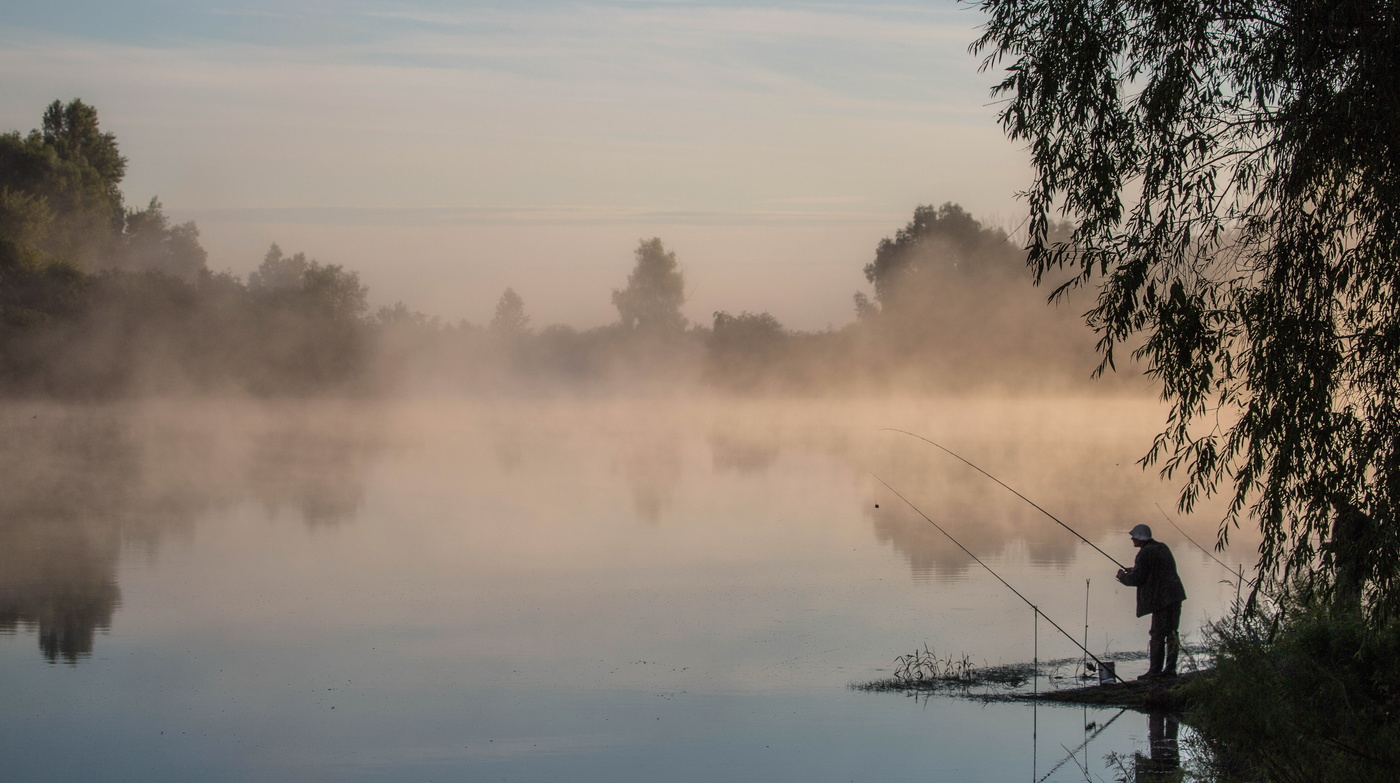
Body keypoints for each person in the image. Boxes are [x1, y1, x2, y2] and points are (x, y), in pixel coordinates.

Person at [1115, 524, 1187, 679]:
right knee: (1172, 633)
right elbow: (1156, 570)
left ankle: (1154, 671)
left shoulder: (1143, 554)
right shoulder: (1162, 547)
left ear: (1141, 538)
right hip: (1175, 595)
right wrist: (1135, 569)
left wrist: (1122, 577)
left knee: (1157, 634)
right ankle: (1170, 670)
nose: (1132, 538)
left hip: (1162, 600)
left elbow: (1137, 579)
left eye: (1134, 536)